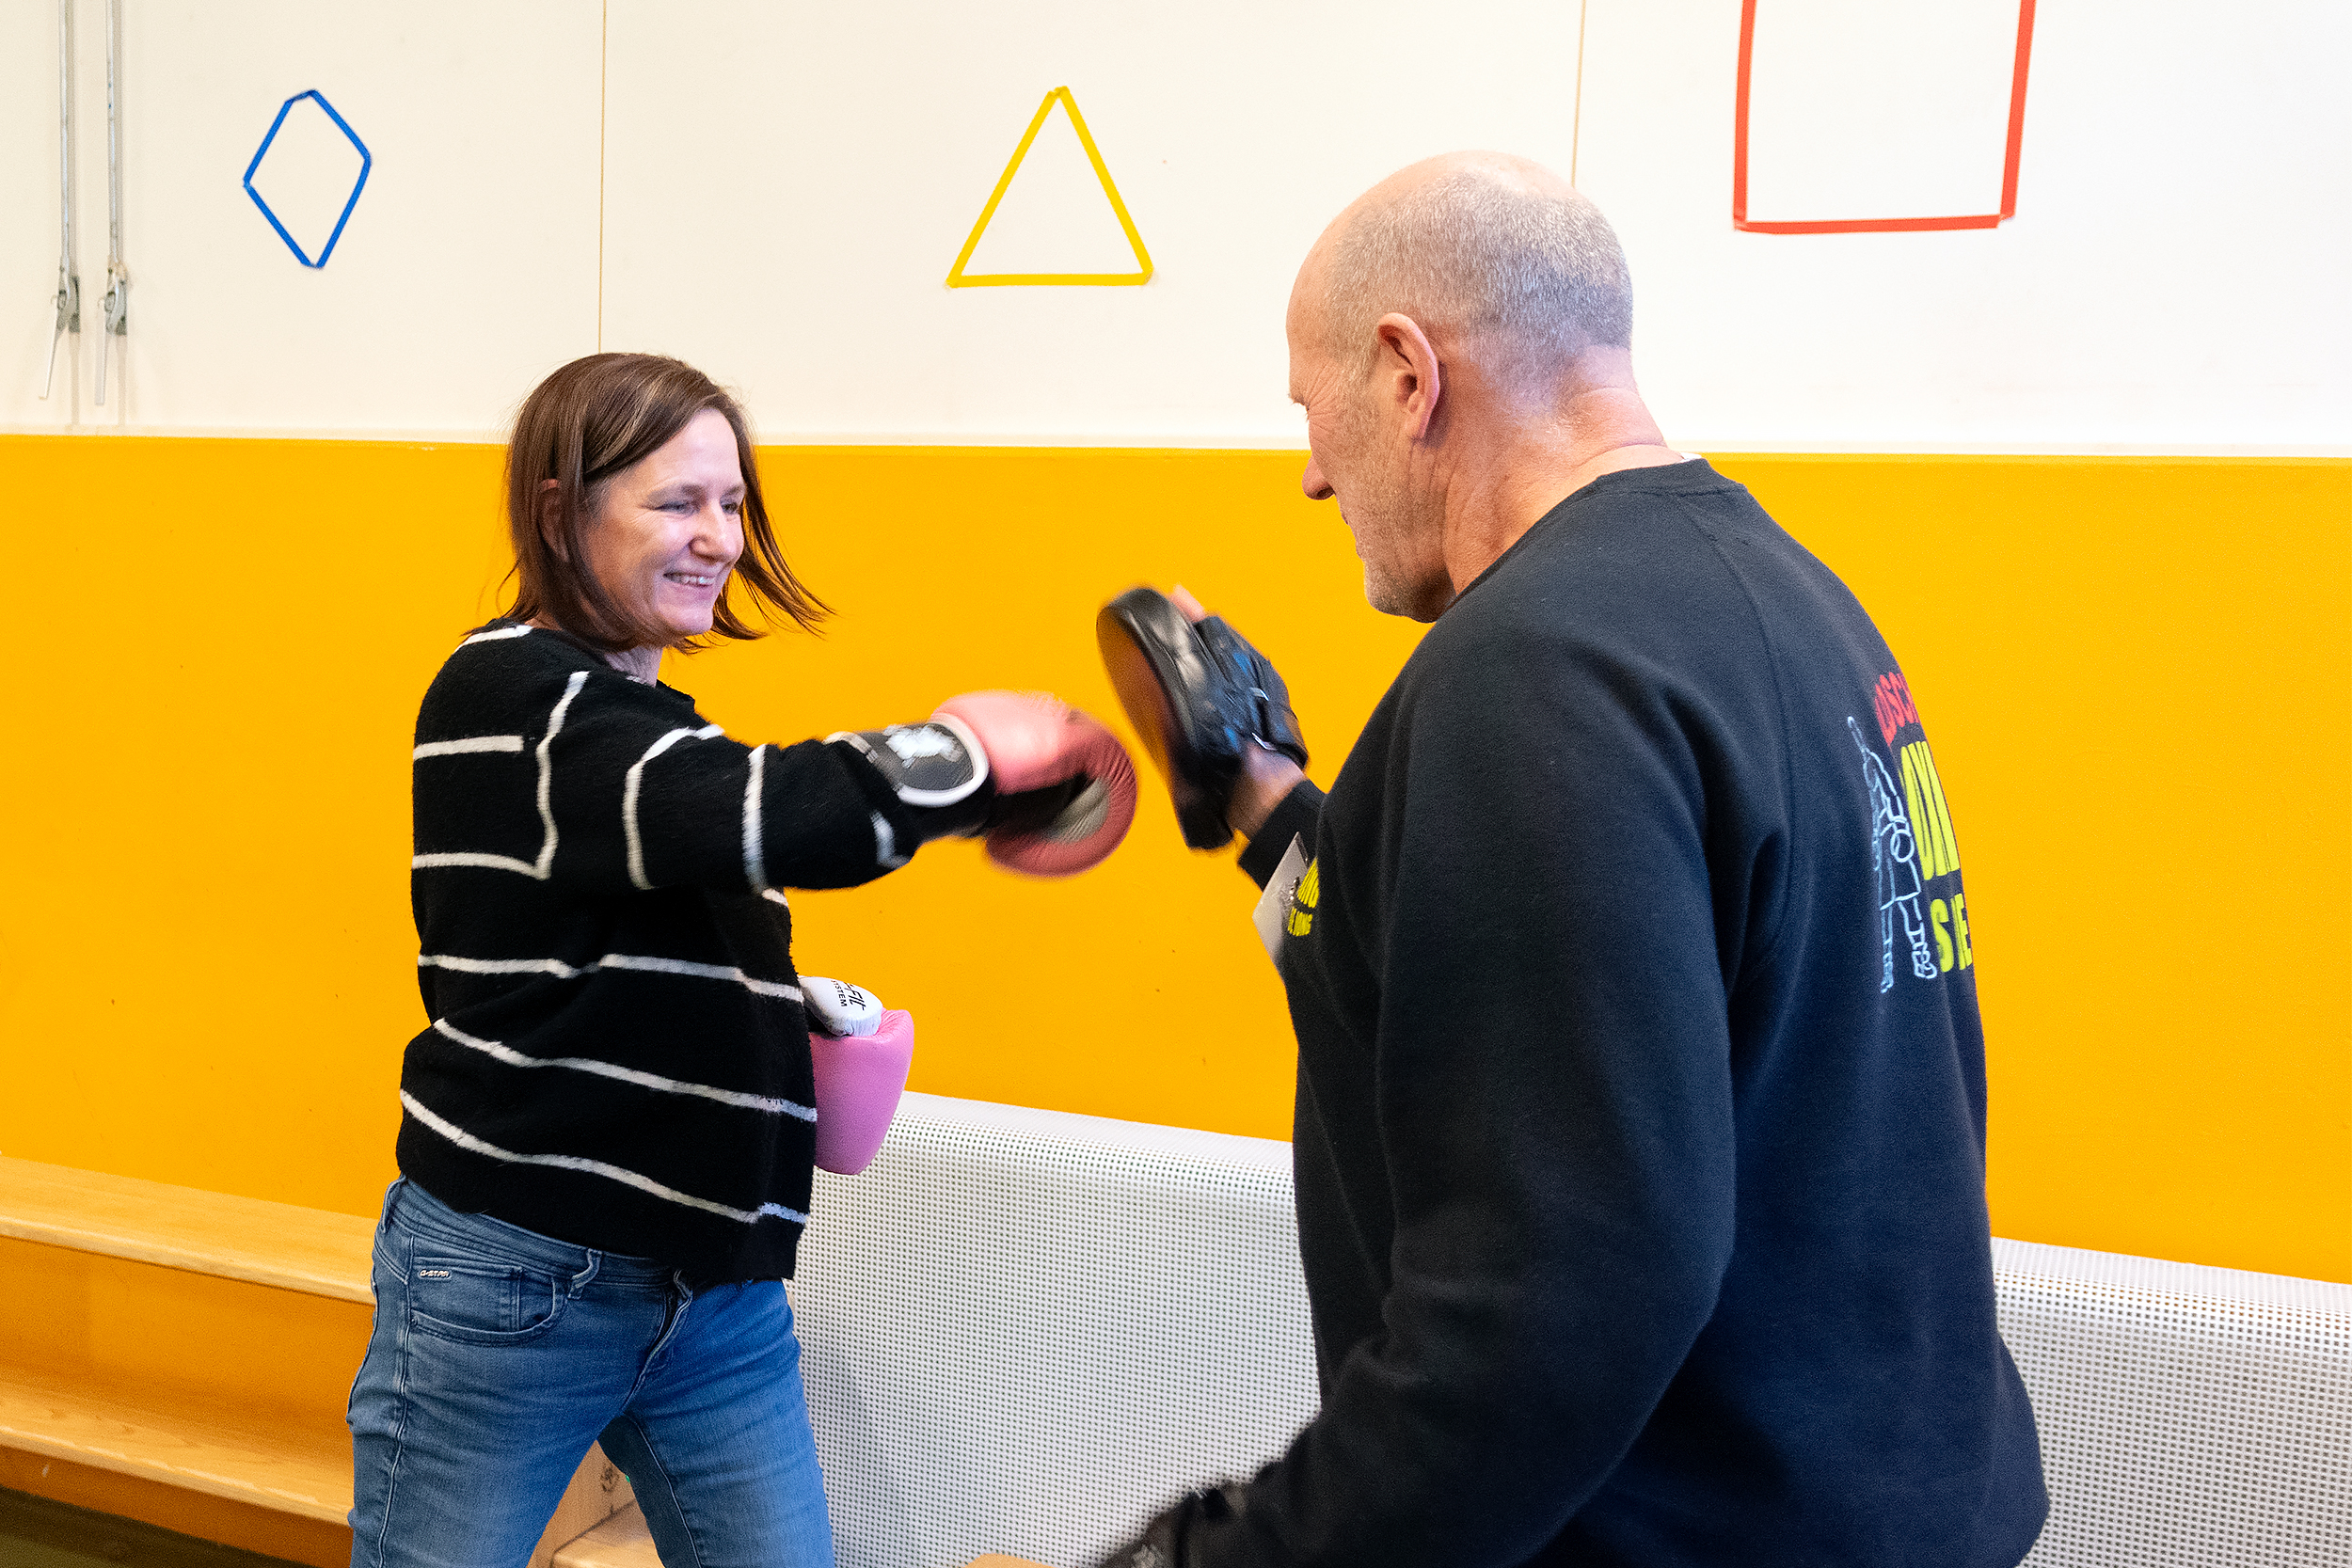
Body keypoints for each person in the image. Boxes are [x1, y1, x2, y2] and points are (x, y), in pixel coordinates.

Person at [1093, 155, 2047, 1566]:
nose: (1312, 475)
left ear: (1408, 374)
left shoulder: (1527, 676)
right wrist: (1264, 795)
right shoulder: (1781, 604)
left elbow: (1552, 1299)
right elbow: (1595, 991)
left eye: (1312, 412)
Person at [347, 353, 1135, 1568]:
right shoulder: (514, 694)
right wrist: (966, 758)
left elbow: (622, 923)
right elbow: (763, 812)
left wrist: (776, 1014)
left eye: (730, 502)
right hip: (522, 1279)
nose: (718, 537)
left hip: (713, 1294)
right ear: (560, 515)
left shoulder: (646, 727)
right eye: (677, 503)